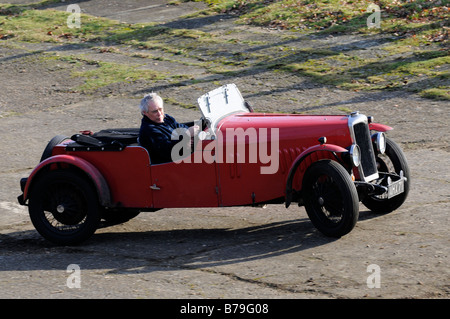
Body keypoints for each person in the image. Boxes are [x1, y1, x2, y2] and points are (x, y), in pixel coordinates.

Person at [139, 93, 198, 164]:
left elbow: (181, 127)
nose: (160, 114)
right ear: (145, 113)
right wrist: (186, 136)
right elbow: (169, 150)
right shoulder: (149, 130)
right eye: (155, 111)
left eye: (160, 109)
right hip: (168, 166)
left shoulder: (167, 118)